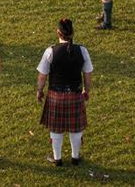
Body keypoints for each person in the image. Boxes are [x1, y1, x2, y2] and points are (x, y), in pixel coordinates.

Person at [36, 17, 93, 167]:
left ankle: (58, 158)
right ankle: (75, 157)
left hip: (55, 96)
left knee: (56, 128)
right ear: (72, 33)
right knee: (76, 128)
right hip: (75, 94)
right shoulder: (82, 51)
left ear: (58, 33)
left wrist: (39, 91)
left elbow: (42, 76)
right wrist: (86, 90)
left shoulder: (50, 51)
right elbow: (88, 74)